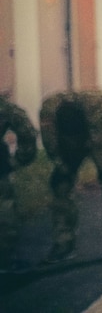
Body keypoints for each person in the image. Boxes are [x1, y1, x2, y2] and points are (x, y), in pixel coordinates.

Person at [39, 90, 102, 263]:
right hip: (67, 143)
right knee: (60, 184)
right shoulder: (49, 114)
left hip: (99, 140)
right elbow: (51, 145)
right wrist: (61, 165)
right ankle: (64, 244)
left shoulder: (95, 118)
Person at [0, 96, 38, 272]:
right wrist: (20, 159)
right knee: (5, 211)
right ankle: (5, 260)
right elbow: (27, 131)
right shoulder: (4, 107)